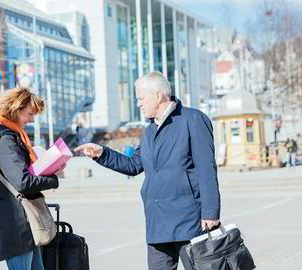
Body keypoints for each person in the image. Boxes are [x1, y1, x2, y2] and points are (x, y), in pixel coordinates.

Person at [75, 71, 221, 270]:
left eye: (141, 98)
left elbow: (206, 168)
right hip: (157, 222)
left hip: (189, 220)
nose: (139, 104)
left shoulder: (193, 119)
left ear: (158, 95)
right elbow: (134, 165)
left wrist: (211, 212)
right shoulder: (149, 131)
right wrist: (102, 153)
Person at [0, 87, 63, 270]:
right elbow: (22, 182)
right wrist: (52, 178)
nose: (32, 120)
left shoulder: (5, 135)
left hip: (20, 221)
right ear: (16, 108)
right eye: (30, 114)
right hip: (15, 223)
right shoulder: (4, 140)